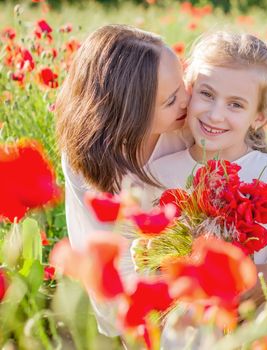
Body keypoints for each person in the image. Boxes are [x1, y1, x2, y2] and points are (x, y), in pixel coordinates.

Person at [146, 31, 267, 305]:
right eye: (207, 94)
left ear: (258, 117)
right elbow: (146, 260)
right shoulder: (159, 174)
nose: (215, 114)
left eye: (235, 104)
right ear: (189, 91)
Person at [54, 24, 190, 337]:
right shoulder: (91, 155)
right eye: (170, 100)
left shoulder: (188, 128)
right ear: (129, 115)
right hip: (125, 277)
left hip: (184, 270)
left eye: (183, 81)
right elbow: (116, 253)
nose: (187, 99)